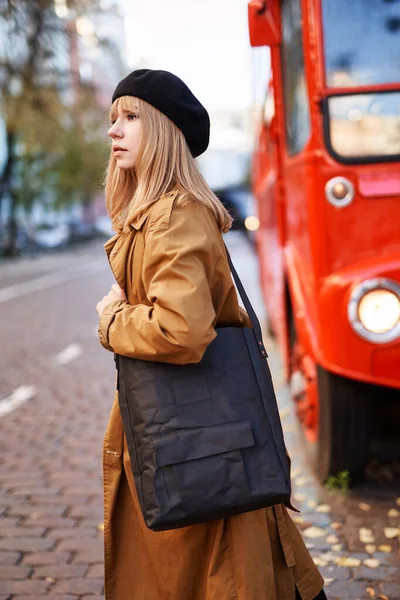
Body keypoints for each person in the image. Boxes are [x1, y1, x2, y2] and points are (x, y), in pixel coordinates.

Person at [96, 69, 327, 600]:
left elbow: (182, 330)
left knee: (221, 575)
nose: (114, 131)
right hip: (192, 436)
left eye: (131, 117)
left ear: (164, 131)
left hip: (194, 437)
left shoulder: (176, 214)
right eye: (113, 119)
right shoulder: (154, 216)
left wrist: (112, 321)